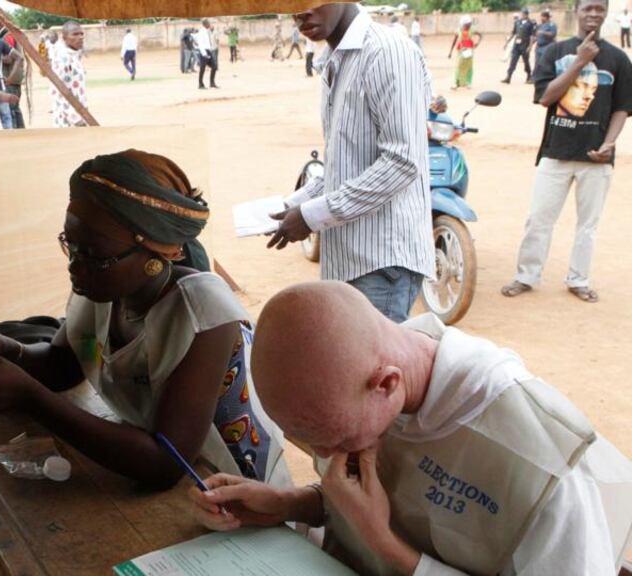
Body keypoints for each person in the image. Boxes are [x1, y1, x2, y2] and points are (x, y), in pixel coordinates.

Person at [189, 282, 632, 575]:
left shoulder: (544, 465)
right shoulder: (363, 376)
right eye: (313, 445)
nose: (332, 454)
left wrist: (385, 544)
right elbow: (387, 499)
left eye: (340, 442)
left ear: (387, 384)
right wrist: (290, 503)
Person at [0, 150, 291, 489]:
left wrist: (28, 397)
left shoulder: (203, 313)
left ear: (153, 255)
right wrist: (0, 346)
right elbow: (65, 363)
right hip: (162, 478)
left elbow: (166, 463)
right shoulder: (101, 290)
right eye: (71, 245)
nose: (75, 265)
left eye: (94, 255)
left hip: (236, 494)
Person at [269, 2, 434, 323]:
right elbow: (342, 165)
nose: (301, 13)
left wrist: (312, 215)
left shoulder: (387, 52)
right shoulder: (334, 61)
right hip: (349, 257)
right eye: (291, 5)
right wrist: (292, 206)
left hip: (382, 261)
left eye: (311, 2)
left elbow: (401, 161)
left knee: (371, 371)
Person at [502, 0, 632, 304]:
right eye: (588, 8)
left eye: (600, 9)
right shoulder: (555, 52)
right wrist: (579, 62)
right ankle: (526, 275)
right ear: (577, 11)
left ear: (606, 13)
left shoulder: (619, 59)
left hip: (597, 158)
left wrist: (610, 143)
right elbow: (546, 97)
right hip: (556, 152)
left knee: (588, 225)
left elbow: (623, 108)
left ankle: (579, 279)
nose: (594, 14)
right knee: (538, 219)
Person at [50, 21, 88, 128]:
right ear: (64, 38)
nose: (80, 37)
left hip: (80, 115)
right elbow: (57, 91)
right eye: (75, 34)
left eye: (81, 34)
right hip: (68, 121)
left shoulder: (73, 56)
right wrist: (75, 119)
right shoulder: (62, 58)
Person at [0, 17, 27, 129]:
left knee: (11, 109)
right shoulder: (12, 34)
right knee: (15, 108)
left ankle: (14, 134)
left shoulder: (7, 36)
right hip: (15, 78)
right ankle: (21, 132)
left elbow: (9, 59)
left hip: (10, 78)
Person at [448, 17, 482, 90]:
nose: (469, 26)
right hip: (461, 49)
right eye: (467, 24)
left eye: (469, 24)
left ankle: (468, 82)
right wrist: (450, 52)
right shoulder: (458, 30)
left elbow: (480, 35)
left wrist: (477, 43)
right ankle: (456, 83)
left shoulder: (472, 30)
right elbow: (454, 41)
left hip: (470, 49)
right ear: (463, 24)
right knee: (458, 66)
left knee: (469, 66)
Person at [503, 8, 536, 84]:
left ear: (527, 15)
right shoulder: (517, 22)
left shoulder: (530, 23)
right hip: (516, 45)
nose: (523, 15)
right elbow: (513, 33)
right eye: (522, 13)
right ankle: (508, 76)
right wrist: (507, 42)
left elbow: (532, 36)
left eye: (525, 14)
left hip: (525, 45)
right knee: (513, 61)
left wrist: (530, 46)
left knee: (526, 61)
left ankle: (529, 75)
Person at [195, 19, 219, 89]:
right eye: (209, 23)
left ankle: (212, 83)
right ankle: (200, 84)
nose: (210, 24)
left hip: (208, 51)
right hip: (204, 52)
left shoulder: (206, 31)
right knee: (202, 68)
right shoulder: (201, 32)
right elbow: (200, 44)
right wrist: (204, 54)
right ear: (205, 24)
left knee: (214, 66)